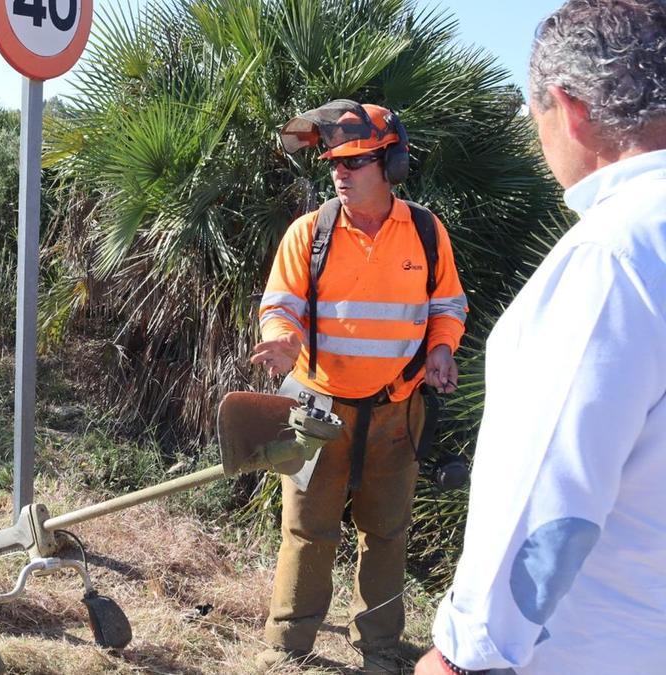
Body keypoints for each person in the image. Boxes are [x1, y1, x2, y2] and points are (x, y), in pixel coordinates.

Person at [416, 1, 666, 673]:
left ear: (569, 105)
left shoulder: (614, 255)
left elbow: (550, 492)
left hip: (598, 647)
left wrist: (463, 653)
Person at [253, 100, 468, 673]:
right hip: (314, 408)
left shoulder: (425, 230)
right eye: (333, 164)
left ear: (390, 164)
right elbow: (281, 305)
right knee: (305, 528)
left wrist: (442, 348)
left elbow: (447, 303)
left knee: (387, 531)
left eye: (353, 163)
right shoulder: (310, 231)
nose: (339, 175)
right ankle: (288, 645)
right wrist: (282, 338)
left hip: (398, 409)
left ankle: (376, 645)